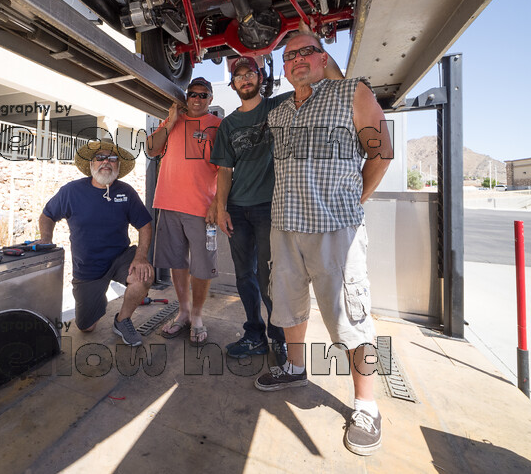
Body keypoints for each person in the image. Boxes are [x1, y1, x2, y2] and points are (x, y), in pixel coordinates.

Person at [255, 33, 392, 457]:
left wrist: (355, 199)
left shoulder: (352, 91)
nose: (297, 59)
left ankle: (366, 406)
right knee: (289, 306)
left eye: (306, 51)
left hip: (337, 232)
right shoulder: (278, 113)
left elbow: (381, 153)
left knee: (352, 316)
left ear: (323, 58)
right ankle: (296, 368)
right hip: (286, 227)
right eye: (288, 54)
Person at [212, 53, 343, 366]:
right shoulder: (228, 125)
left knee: (272, 278)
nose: (245, 79)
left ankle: (279, 337)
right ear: (232, 84)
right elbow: (224, 172)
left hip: (271, 209)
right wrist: (220, 209)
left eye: (250, 73)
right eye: (238, 75)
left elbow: (320, 84)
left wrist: (315, 51)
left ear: (260, 78)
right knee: (245, 277)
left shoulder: (279, 106)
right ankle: (254, 334)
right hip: (238, 211)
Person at [38, 140, 153, 347]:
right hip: (88, 269)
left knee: (144, 276)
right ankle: (98, 297)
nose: (106, 162)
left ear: (118, 165)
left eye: (112, 158)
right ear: (91, 164)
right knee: (86, 327)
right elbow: (47, 215)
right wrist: (46, 238)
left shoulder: (126, 192)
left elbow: (145, 225)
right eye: (100, 157)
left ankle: (122, 320)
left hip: (120, 259)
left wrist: (141, 257)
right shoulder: (71, 191)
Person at [147, 77, 221, 346]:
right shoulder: (172, 122)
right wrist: (171, 120)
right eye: (193, 94)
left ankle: (198, 316)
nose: (197, 99)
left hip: (204, 210)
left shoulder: (218, 126)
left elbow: (226, 169)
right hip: (169, 204)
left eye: (203, 94)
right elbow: (152, 149)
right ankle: (184, 312)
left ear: (210, 99)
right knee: (177, 263)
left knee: (203, 265)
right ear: (187, 97)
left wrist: (218, 204)